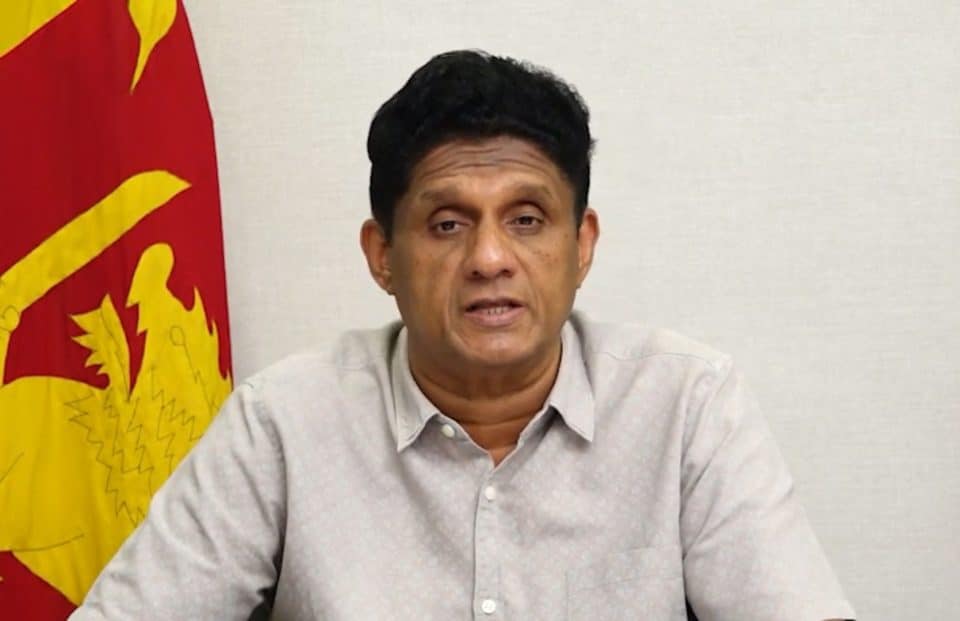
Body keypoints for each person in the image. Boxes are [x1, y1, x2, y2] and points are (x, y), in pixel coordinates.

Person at [71, 50, 856, 620]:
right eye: (447, 224)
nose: (489, 259)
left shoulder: (686, 405)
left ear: (581, 245)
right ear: (383, 255)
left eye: (527, 219)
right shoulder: (284, 421)